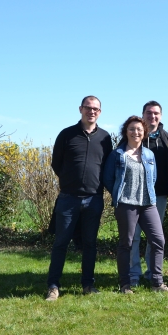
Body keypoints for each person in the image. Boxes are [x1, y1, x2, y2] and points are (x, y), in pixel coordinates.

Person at [45, 96, 113, 301]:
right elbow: (56, 163)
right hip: (68, 198)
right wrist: (70, 181)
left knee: (90, 243)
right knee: (61, 243)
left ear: (100, 112)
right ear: (80, 109)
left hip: (94, 199)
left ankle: (88, 284)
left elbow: (107, 166)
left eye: (95, 109)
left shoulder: (105, 138)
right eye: (88, 108)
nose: (91, 112)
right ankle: (53, 286)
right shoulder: (67, 134)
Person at [103, 115, 168, 294]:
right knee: (126, 243)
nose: (135, 132)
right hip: (126, 204)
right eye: (131, 129)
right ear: (125, 132)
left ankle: (157, 283)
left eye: (139, 129)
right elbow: (108, 178)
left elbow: (153, 177)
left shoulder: (149, 154)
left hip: (148, 204)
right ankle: (125, 284)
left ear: (144, 133)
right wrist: (120, 194)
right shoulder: (117, 154)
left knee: (158, 240)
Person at [129, 100, 168, 286]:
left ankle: (151, 273)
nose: (152, 116)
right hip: (133, 196)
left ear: (161, 116)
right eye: (149, 113)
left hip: (158, 197)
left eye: (156, 113)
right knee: (133, 237)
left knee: (154, 237)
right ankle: (133, 274)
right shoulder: (133, 136)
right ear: (143, 115)